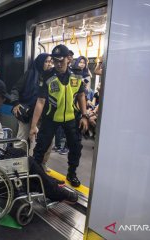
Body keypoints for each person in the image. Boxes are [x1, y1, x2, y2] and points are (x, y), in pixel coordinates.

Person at [0, 79, 78, 203]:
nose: (3, 102)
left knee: (23, 155)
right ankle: (55, 191)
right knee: (28, 161)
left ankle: (48, 182)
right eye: (2, 98)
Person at [30, 44, 89, 187]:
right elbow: (40, 101)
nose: (57, 64)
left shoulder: (76, 75)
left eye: (61, 61)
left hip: (71, 118)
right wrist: (33, 126)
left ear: (68, 59)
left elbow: (81, 96)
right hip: (51, 118)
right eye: (55, 60)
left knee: (75, 147)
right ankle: (36, 176)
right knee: (41, 148)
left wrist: (84, 115)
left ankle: (71, 173)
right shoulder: (47, 75)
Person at [10, 53, 52, 154]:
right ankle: (16, 161)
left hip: (44, 115)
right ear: (40, 62)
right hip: (27, 113)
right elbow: (15, 89)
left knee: (45, 142)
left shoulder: (52, 77)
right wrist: (16, 103)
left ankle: (39, 164)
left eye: (51, 61)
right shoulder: (30, 74)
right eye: (46, 62)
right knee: (22, 140)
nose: (49, 64)